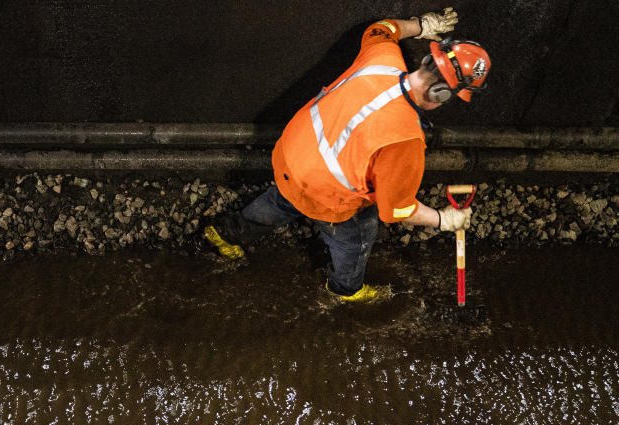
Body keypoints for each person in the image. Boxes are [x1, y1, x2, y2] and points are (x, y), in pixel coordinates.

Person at [204, 7, 491, 302]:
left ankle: (225, 234)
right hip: (328, 197)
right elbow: (397, 211)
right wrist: (443, 219)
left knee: (281, 200)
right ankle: (346, 291)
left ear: (428, 59)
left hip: (290, 159)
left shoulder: (382, 59)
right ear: (441, 93)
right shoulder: (406, 139)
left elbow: (381, 29)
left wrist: (420, 25)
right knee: (355, 237)